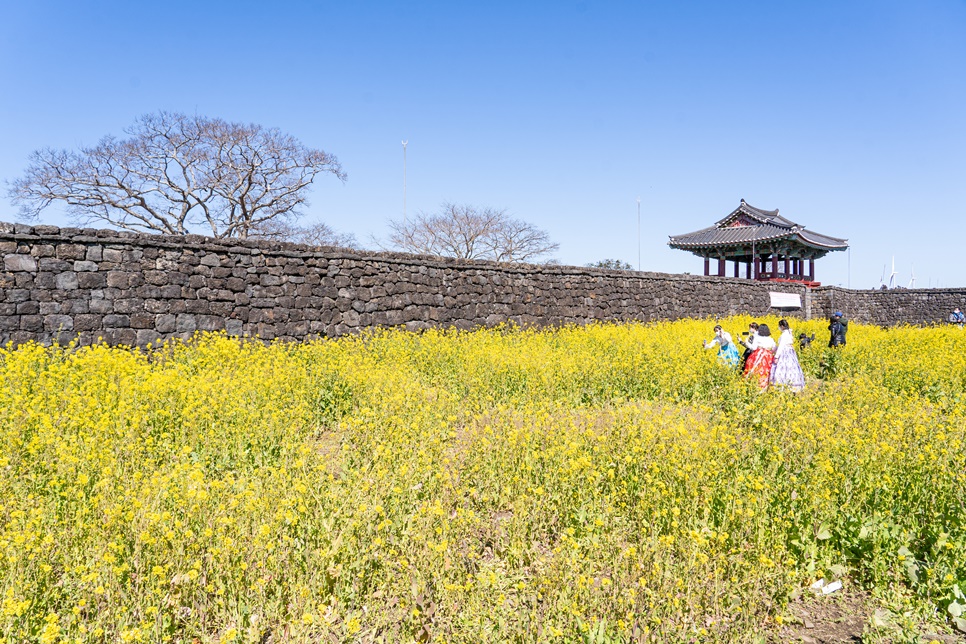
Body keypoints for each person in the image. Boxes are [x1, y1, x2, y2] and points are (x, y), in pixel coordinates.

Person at [770, 319, 806, 391]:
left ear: (782, 326)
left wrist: (776, 356)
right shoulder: (789, 333)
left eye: (779, 326)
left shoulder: (784, 335)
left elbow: (781, 346)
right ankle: (793, 385)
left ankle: (782, 385)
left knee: (783, 368)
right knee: (791, 368)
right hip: (790, 352)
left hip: (785, 352)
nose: (779, 328)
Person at [743, 323, 777, 389]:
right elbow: (775, 348)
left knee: (756, 370)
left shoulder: (757, 338)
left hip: (758, 355)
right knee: (766, 371)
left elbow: (753, 348)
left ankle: (754, 385)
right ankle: (765, 386)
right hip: (767, 356)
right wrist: (770, 352)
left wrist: (746, 342)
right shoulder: (770, 339)